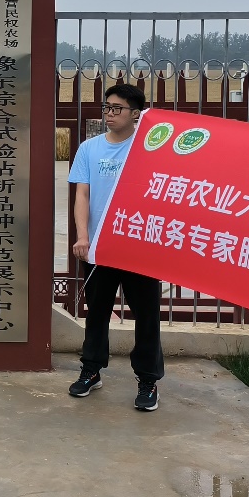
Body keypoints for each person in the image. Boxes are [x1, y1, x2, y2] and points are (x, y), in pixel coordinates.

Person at [67, 83, 164, 411]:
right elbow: (82, 194)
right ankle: (91, 370)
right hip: (99, 248)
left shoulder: (149, 149)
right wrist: (83, 236)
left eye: (117, 108)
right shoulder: (89, 149)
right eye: (107, 107)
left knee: (146, 317)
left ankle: (148, 380)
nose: (109, 113)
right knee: (97, 313)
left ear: (136, 114)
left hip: (140, 249)